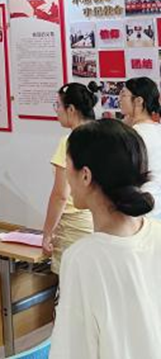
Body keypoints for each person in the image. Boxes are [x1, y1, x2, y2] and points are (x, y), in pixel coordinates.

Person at [51, 119, 161, 358]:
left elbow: (71, 351)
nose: (65, 175)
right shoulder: (157, 234)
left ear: (85, 176)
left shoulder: (82, 259)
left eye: (67, 165)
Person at [41, 84, 95, 273]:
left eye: (58, 105)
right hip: (98, 218)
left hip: (73, 224)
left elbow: (61, 195)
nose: (56, 111)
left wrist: (47, 233)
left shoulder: (70, 141)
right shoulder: (104, 136)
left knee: (70, 281)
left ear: (71, 109)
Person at [119, 77, 161, 219]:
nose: (119, 99)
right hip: (157, 207)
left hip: (139, 209)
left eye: (124, 95)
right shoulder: (157, 129)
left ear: (138, 101)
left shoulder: (133, 135)